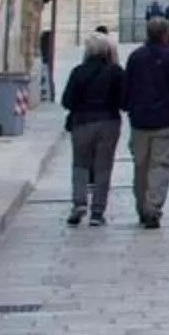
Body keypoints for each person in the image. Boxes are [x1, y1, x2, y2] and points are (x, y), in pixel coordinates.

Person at [122, 15, 169, 229]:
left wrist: (127, 107)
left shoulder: (136, 57)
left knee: (140, 166)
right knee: (161, 165)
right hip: (167, 120)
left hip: (140, 120)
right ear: (166, 34)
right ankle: (153, 207)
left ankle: (142, 206)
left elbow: (127, 87)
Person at [59, 30, 127, 227]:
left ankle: (79, 203)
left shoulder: (78, 72)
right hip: (108, 122)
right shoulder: (116, 72)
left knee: (80, 164)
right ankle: (98, 211)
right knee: (103, 167)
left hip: (82, 122)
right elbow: (123, 101)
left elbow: (67, 101)